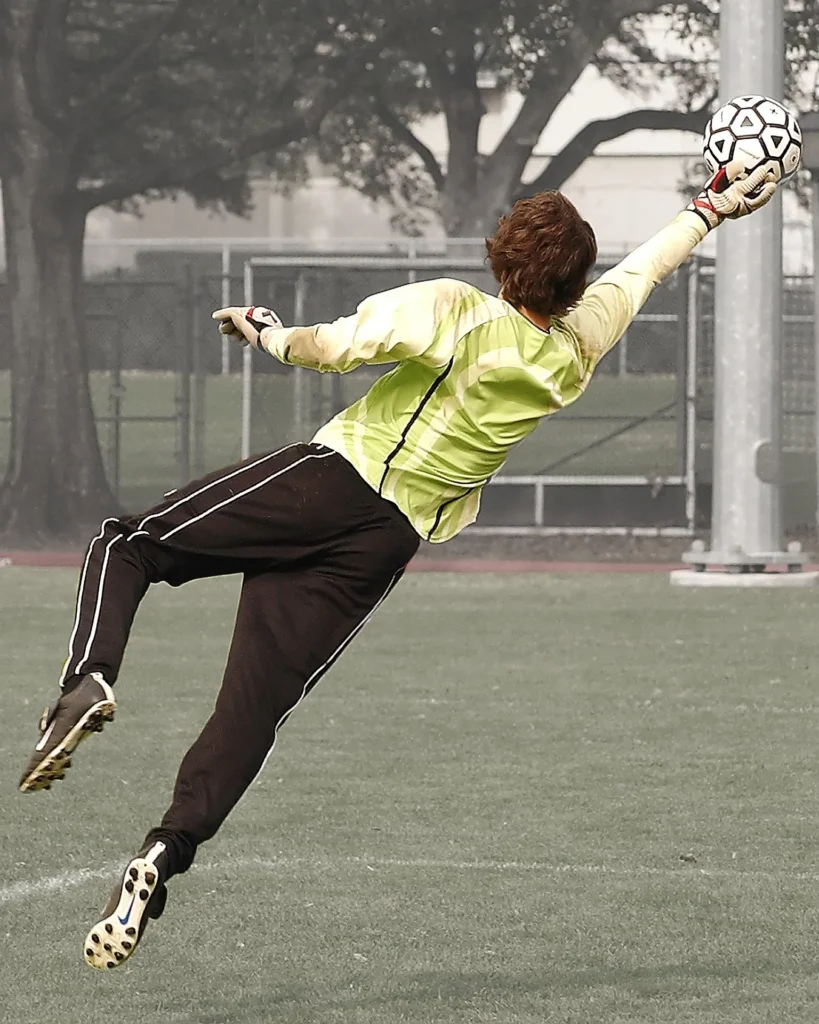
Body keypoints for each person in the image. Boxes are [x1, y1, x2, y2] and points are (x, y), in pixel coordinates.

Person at [18, 165, 776, 970]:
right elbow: (643, 270)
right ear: (571, 285)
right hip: (384, 545)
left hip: (334, 483)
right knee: (253, 710)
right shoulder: (575, 350)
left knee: (125, 542)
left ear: (502, 259)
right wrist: (709, 209)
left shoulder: (457, 309)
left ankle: (88, 678)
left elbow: (337, 349)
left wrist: (267, 332)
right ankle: (162, 855)